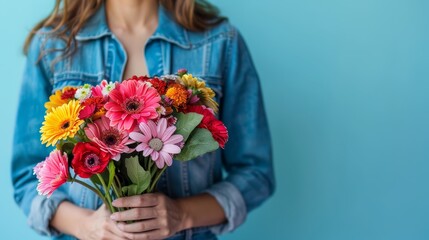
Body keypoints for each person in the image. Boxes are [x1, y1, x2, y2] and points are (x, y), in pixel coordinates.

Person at [12, 0, 275, 239]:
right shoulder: (52, 44)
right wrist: (85, 225)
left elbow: (256, 174)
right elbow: (27, 176)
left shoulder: (221, 43)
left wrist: (181, 215)